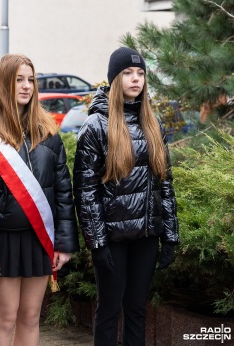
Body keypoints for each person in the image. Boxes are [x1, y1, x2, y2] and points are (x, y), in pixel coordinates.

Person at [0, 54, 79, 346]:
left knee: (30, 317)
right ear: (4, 83)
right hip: (2, 242)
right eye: (19, 79)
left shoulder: (48, 132)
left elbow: (63, 193)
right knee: (4, 319)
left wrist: (64, 243)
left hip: (39, 239)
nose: (27, 86)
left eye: (31, 80)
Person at [73, 47, 179, 345]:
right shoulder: (96, 126)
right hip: (112, 238)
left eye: (141, 73)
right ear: (114, 78)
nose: (136, 79)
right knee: (108, 310)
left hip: (146, 236)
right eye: (128, 73)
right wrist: (96, 243)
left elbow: (165, 183)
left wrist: (170, 235)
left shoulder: (152, 123)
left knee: (136, 310)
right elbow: (86, 190)